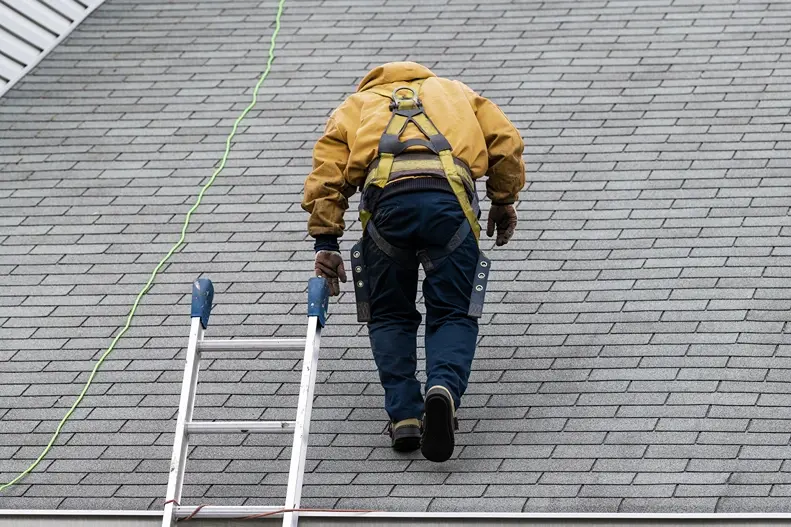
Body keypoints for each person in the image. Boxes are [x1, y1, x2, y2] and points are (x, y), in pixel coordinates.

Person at [301, 61, 524, 462]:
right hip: (448, 205)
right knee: (454, 311)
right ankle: (443, 390)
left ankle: (405, 414)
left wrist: (326, 240)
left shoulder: (358, 104)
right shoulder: (456, 93)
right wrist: (503, 200)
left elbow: (327, 175)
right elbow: (505, 141)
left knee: (389, 314)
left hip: (387, 209)